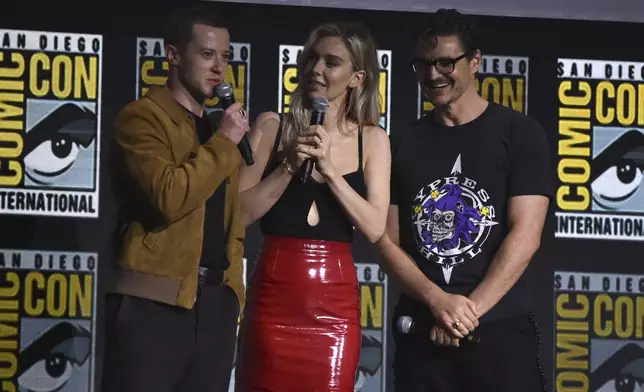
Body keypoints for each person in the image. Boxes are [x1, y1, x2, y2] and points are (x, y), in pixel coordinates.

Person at [377, 8, 551, 392]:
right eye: (422, 64)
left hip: (500, 331)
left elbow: (527, 233)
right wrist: (438, 302)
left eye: (445, 62)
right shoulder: (400, 143)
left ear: (475, 62)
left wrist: (464, 315)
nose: (432, 74)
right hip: (421, 333)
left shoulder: (520, 133)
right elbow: (387, 240)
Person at [235, 22, 391, 391]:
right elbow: (238, 215)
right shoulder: (273, 127)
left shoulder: (372, 139)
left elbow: (374, 227)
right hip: (274, 298)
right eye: (312, 59)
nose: (316, 70)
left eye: (331, 62)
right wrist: (290, 163)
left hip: (335, 308)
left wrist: (330, 171)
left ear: (356, 78)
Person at [101, 7, 249, 392]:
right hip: (154, 304)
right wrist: (224, 143)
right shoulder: (142, 118)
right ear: (173, 55)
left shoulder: (217, 130)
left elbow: (231, 221)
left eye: (225, 57)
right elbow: (169, 196)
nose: (219, 68)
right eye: (206, 55)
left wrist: (233, 291)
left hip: (216, 307)